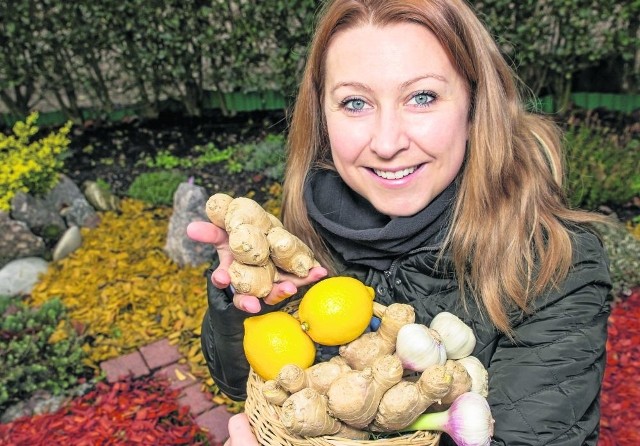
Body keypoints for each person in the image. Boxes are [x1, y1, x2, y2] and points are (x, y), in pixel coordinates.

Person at [187, 0, 612, 444]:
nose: (387, 143)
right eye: (355, 102)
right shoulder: (308, 219)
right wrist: (243, 308)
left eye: (422, 97)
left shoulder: (555, 264)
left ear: (474, 106)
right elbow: (241, 383)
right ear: (323, 118)